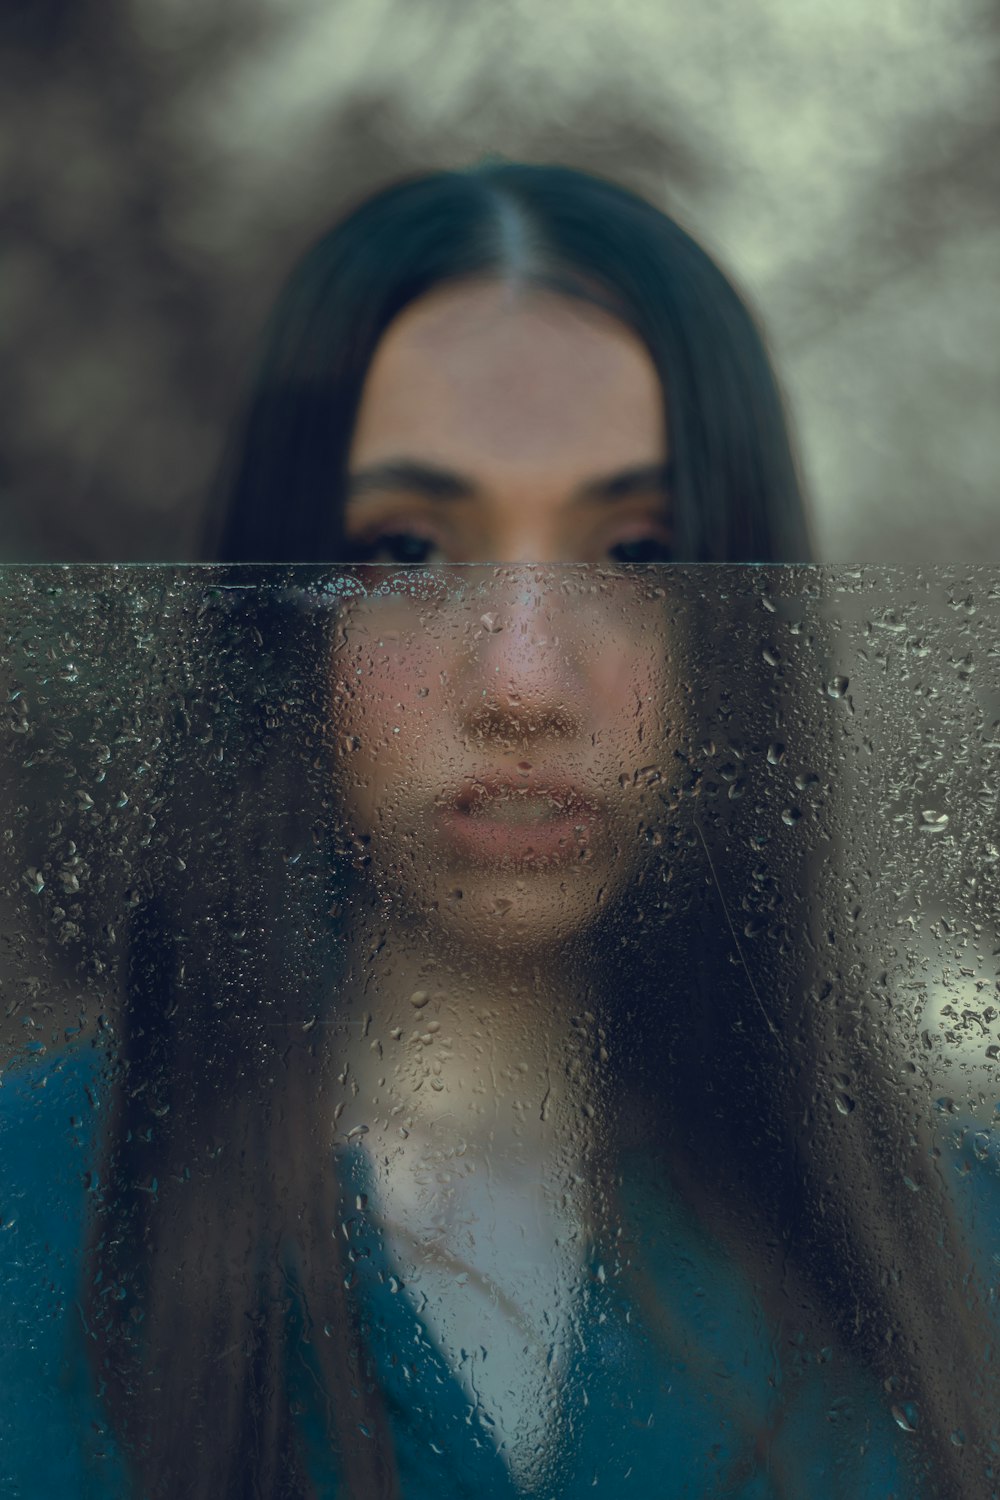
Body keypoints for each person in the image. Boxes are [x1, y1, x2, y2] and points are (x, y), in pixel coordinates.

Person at [1, 158, 995, 1499]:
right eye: (406, 548)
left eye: (639, 553)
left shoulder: (958, 1251)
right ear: (281, 624)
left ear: (743, 636)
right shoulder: (32, 1219)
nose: (524, 679)